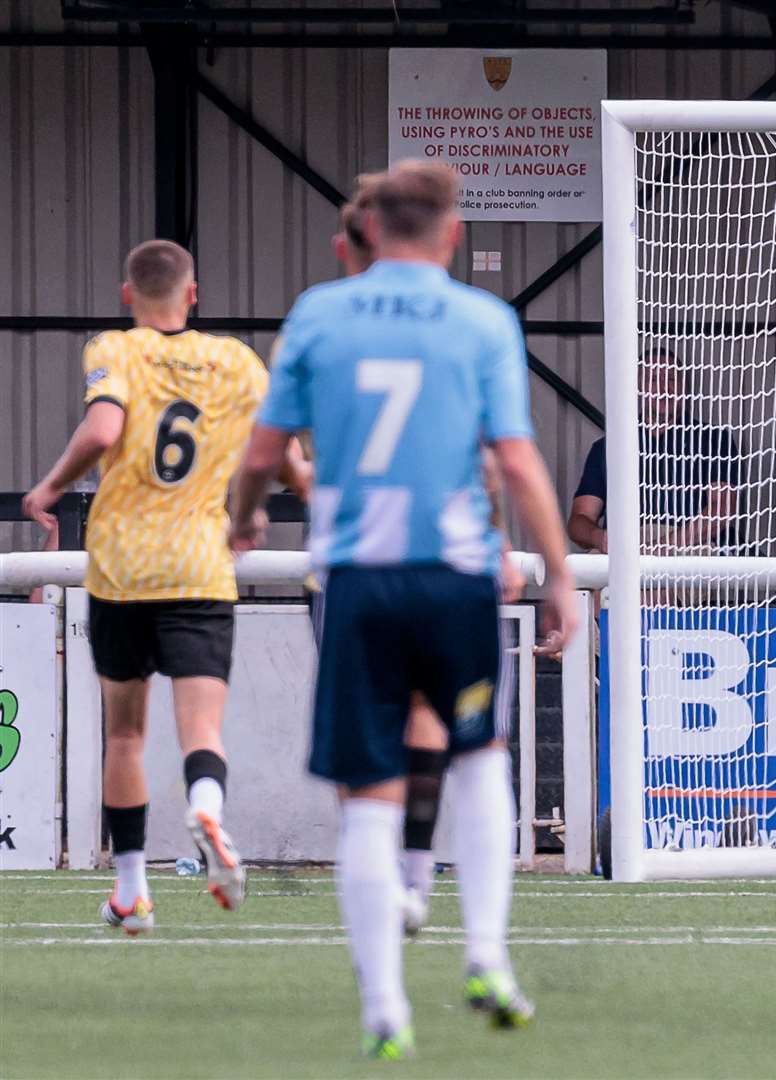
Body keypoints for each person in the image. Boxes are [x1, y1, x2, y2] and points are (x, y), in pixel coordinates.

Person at [229, 161, 578, 1059]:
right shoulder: (482, 321)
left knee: (370, 796)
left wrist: (244, 518)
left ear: (368, 230)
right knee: (478, 761)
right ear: (454, 234)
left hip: (358, 580)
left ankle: (385, 1007)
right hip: (454, 579)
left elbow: (264, 449)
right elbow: (516, 458)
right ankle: (488, 958)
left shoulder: (319, 314)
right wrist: (559, 575)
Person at [21, 240, 268, 933]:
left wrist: (51, 485)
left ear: (128, 296)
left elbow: (105, 428)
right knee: (202, 729)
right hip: (199, 562)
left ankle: (131, 893)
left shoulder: (115, 350)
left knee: (125, 737)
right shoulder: (234, 361)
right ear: (193, 294)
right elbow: (275, 454)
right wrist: (251, 512)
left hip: (123, 566)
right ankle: (209, 809)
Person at [303, 175, 525, 938]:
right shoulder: (466, 325)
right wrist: (498, 542)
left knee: (371, 740)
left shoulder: (326, 328)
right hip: (444, 564)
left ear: (352, 245)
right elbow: (492, 459)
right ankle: (417, 882)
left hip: (356, 569)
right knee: (438, 723)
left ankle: (397, 881)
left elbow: (297, 456)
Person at [567, 351, 740, 555]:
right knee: (586, 573)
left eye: (672, 378)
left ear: (685, 387)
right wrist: (600, 538)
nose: (664, 387)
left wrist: (664, 547)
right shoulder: (607, 447)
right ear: (638, 386)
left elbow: (722, 510)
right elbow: (579, 520)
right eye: (653, 378)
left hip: (688, 547)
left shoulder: (713, 439)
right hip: (625, 549)